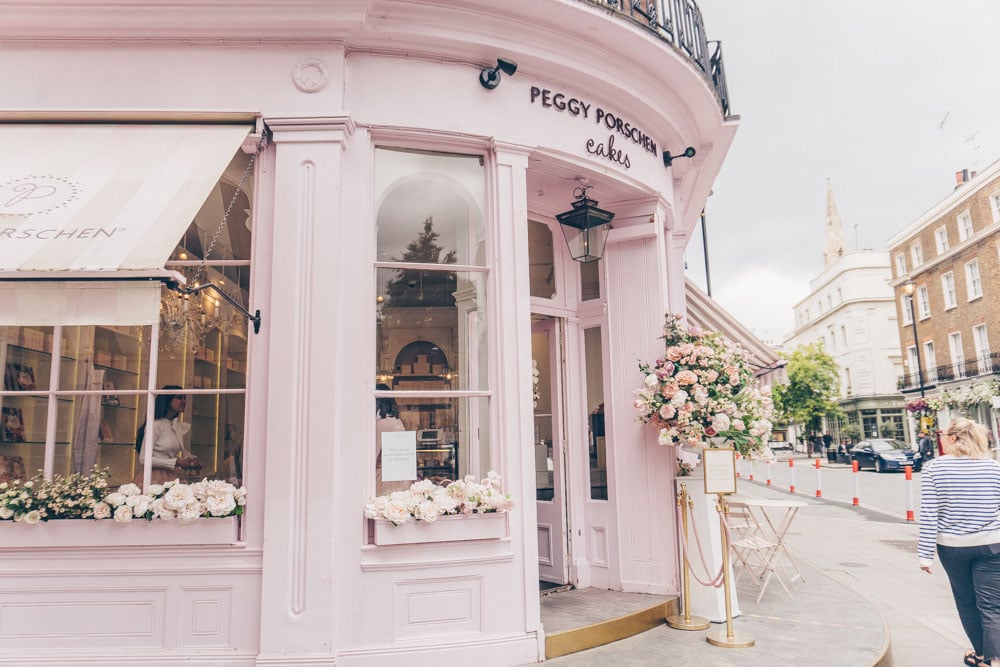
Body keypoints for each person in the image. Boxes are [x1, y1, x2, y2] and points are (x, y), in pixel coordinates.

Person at [918, 417, 1000, 667]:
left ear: (953, 438)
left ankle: (982, 654)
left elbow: (930, 513)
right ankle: (994, 660)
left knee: (966, 601)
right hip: (992, 544)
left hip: (953, 548)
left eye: (942, 435)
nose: (940, 440)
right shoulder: (994, 467)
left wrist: (924, 554)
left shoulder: (934, 468)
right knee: (992, 605)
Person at [134, 386, 201, 485]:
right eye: (179, 398)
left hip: (173, 474)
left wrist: (188, 462)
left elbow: (168, 455)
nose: (184, 401)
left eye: (184, 398)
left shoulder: (174, 424)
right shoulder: (156, 425)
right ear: (167, 400)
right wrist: (177, 462)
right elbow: (143, 459)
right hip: (155, 477)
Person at [375, 384, 411, 495]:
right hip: (400, 478)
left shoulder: (381, 424)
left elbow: (373, 455)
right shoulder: (396, 421)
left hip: (385, 479)